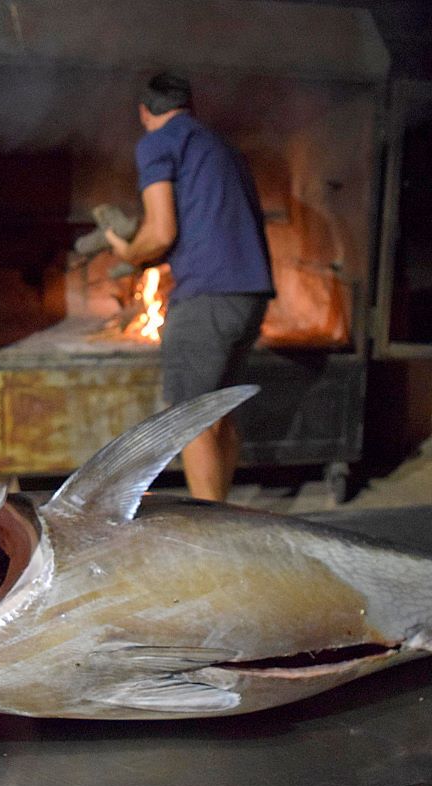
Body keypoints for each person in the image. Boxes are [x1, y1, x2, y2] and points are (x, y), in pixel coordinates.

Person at [106, 71, 274, 502]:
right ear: (189, 107)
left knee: (188, 419)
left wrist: (129, 253)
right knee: (218, 413)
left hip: (207, 299)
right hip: (251, 294)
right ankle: (224, 514)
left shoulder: (158, 142)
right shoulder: (222, 147)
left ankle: (209, 527)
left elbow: (160, 231)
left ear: (145, 112)